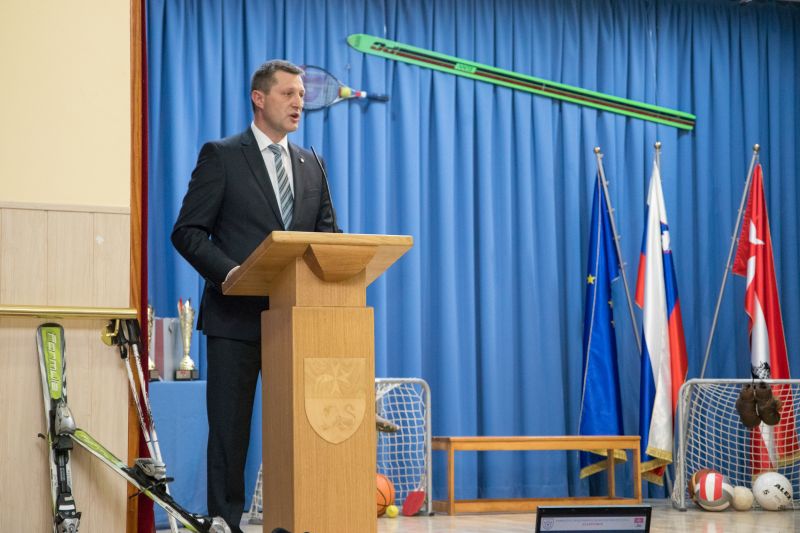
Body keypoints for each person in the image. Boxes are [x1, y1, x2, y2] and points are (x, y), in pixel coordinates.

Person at [171, 59, 336, 532]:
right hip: (234, 319)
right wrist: (233, 272)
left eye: (301, 95)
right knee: (230, 434)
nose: (299, 102)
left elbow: (328, 237)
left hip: (295, 322)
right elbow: (188, 232)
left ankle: (297, 519)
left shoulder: (312, 164)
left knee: (299, 429)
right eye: (288, 93)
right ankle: (224, 523)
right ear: (259, 99)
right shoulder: (222, 156)